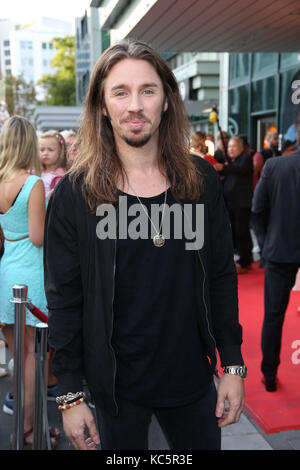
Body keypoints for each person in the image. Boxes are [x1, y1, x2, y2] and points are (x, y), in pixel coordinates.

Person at [44, 39, 245, 451]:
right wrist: (69, 394)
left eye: (147, 91)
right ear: (102, 105)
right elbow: (64, 298)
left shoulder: (201, 182)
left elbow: (222, 276)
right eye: (120, 92)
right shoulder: (75, 194)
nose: (134, 105)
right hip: (116, 389)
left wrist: (233, 365)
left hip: (191, 381)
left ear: (166, 101)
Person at [0, 116, 59, 447]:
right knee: (33, 363)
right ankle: (29, 432)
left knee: (16, 356)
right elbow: (38, 237)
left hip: (6, 272)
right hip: (31, 278)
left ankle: (24, 429)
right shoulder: (33, 183)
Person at [252, 126, 300, 392]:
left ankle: (269, 374)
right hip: (280, 248)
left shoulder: (275, 166)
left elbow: (258, 210)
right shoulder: (274, 165)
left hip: (280, 249)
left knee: (274, 315)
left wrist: (268, 240)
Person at [214, 136, 253, 274]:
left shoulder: (246, 159)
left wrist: (223, 167)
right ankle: (244, 259)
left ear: (241, 148)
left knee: (241, 232)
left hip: (241, 203)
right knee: (236, 232)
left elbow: (240, 169)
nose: (230, 149)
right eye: (229, 147)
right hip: (231, 203)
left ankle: (245, 261)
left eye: (234, 146)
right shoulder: (231, 162)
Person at [39, 130, 68, 199]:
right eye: (42, 150)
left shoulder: (60, 176)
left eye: (50, 150)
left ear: (60, 152)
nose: (45, 153)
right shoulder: (36, 171)